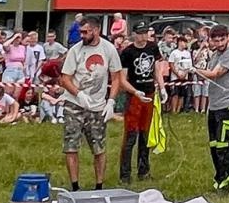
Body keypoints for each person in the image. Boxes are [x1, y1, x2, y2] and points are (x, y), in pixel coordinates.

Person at [58, 15, 124, 192]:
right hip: (74, 104)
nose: (82, 35)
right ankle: (75, 186)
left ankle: (99, 185)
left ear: (96, 31)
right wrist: (78, 94)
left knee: (99, 147)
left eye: (85, 32)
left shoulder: (108, 49)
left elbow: (116, 77)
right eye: (80, 32)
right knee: (71, 145)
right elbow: (66, 78)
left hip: (97, 105)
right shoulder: (76, 51)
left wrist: (111, 101)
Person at [194, 25, 229, 191]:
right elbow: (209, 71)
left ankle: (227, 180)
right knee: (214, 145)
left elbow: (215, 73)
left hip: (227, 106)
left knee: (225, 146)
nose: (220, 43)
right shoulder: (215, 54)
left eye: (223, 39)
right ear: (211, 40)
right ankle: (219, 176)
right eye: (216, 40)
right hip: (214, 106)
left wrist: (194, 70)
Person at [116, 21, 162, 184]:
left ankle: (144, 170)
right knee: (130, 136)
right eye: (140, 33)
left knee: (145, 134)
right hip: (134, 96)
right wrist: (135, 92)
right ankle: (125, 174)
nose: (143, 37)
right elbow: (122, 79)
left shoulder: (152, 47)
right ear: (134, 34)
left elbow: (156, 69)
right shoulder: (128, 52)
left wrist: (162, 88)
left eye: (145, 33)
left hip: (149, 93)